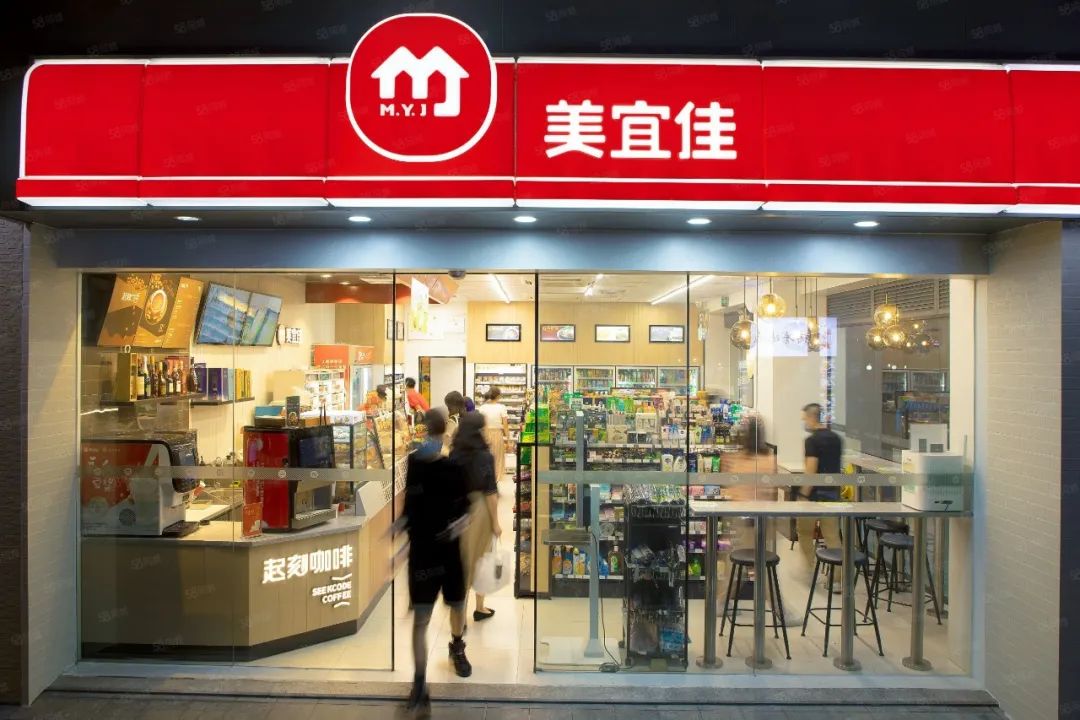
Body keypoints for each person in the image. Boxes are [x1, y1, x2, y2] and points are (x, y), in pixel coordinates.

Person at [401, 409, 473, 716]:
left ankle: (420, 680)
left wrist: (399, 535)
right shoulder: (443, 466)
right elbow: (466, 512)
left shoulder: (428, 465)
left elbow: (409, 511)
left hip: (426, 553)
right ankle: (450, 653)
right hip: (441, 553)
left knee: (423, 619)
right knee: (450, 607)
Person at [451, 412, 502, 622]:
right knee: (482, 558)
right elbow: (490, 493)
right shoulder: (484, 456)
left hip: (458, 510)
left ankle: (459, 617)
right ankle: (479, 607)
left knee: (462, 560)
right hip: (479, 510)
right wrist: (496, 523)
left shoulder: (454, 454)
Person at [796, 402, 843, 570]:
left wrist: (803, 494)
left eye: (805, 419)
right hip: (832, 493)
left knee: (804, 532)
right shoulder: (836, 438)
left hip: (814, 495)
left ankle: (809, 568)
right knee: (832, 535)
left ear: (812, 417)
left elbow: (811, 470)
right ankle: (838, 576)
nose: (804, 423)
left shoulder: (812, 441)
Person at [477, 387, 510, 479]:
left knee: (486, 455)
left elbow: (480, 424)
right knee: (498, 456)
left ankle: (486, 476)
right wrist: (508, 439)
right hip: (497, 434)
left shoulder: (482, 407)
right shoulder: (501, 407)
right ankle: (497, 477)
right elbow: (505, 425)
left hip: (485, 434)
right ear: (498, 396)